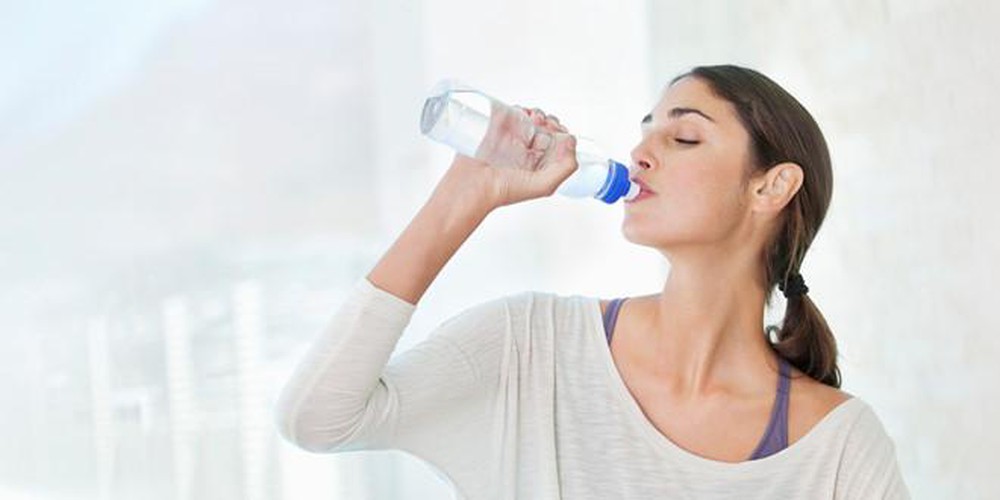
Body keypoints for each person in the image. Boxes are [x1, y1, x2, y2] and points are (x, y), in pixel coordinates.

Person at [274, 65, 910, 499]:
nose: (641, 153)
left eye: (684, 136)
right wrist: (462, 199)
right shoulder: (531, 345)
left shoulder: (837, 447)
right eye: (646, 131)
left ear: (772, 187)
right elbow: (317, 419)